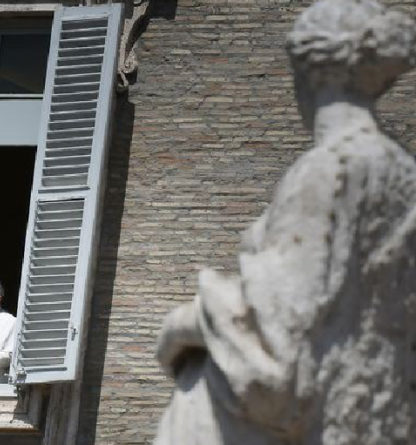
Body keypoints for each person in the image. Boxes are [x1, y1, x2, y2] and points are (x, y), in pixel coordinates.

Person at [156, 0, 416, 443]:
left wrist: (184, 322)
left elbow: (276, 343)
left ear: (306, 74)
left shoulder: (330, 168)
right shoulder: (403, 171)